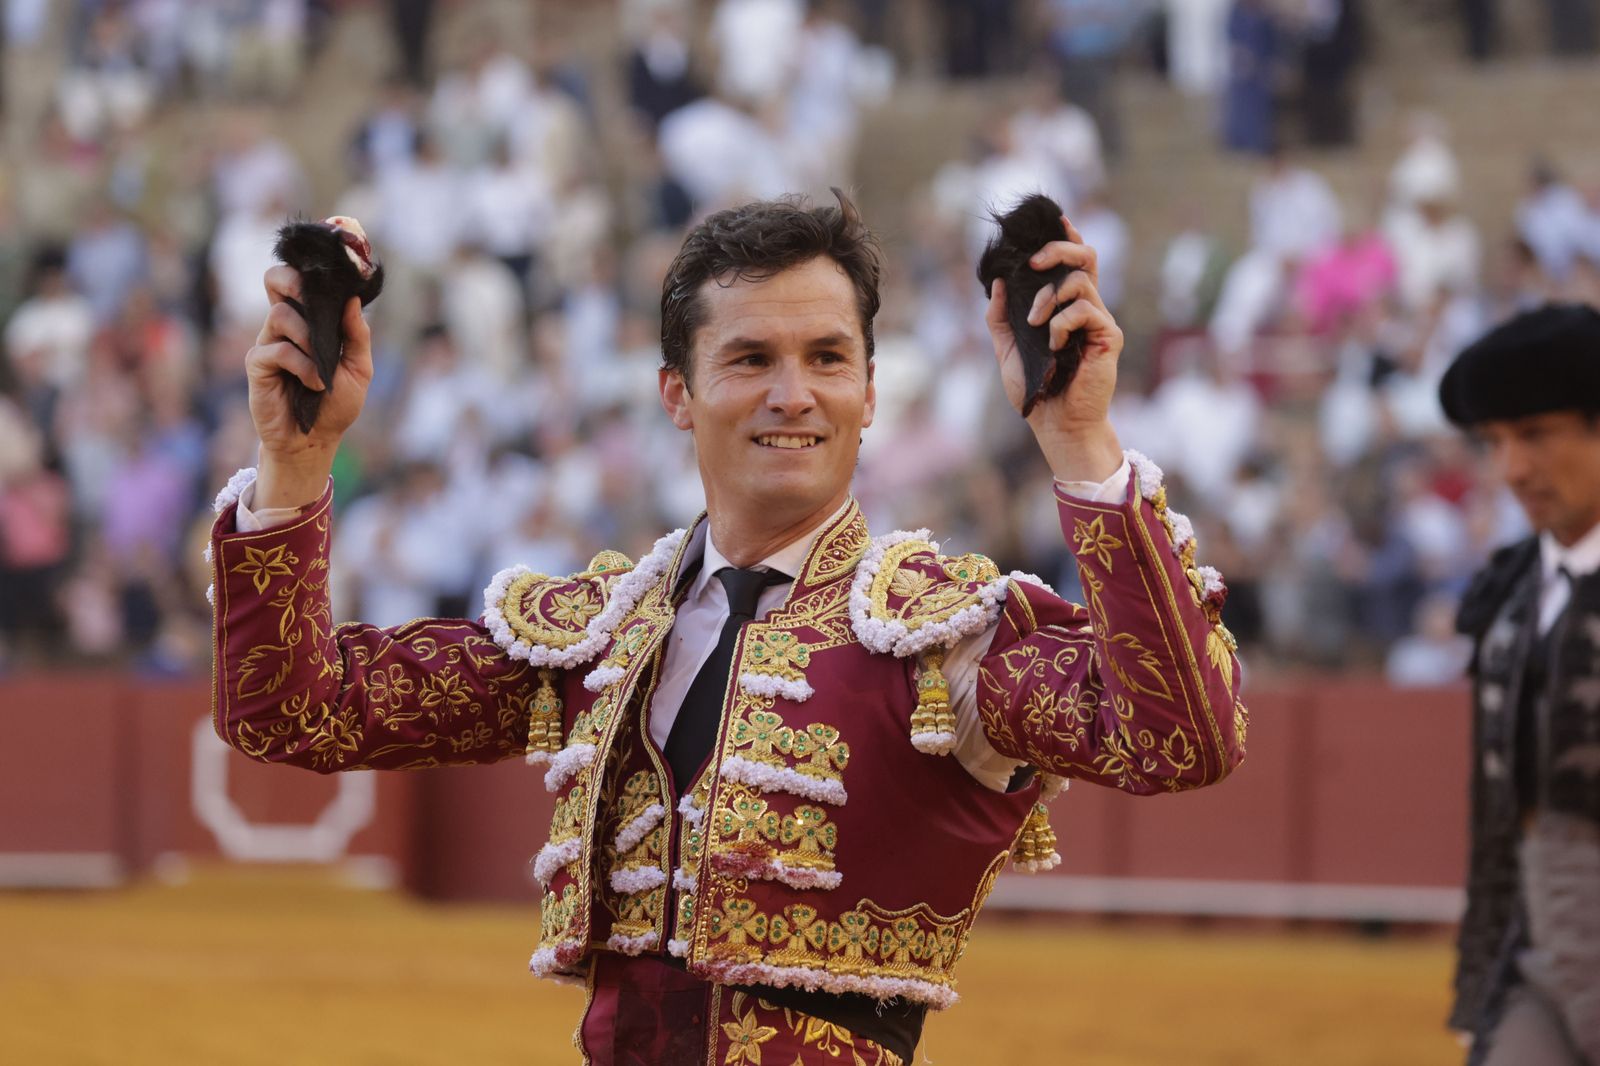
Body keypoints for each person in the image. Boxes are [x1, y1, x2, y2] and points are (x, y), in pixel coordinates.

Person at [206, 191, 1246, 1064]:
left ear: (871, 392)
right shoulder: (602, 633)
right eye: (749, 358)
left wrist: (1080, 442)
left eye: (828, 358)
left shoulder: (942, 637)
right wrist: (297, 462)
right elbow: (295, 714)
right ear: (677, 393)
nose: (793, 395)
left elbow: (1182, 737)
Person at [1440, 304, 1600, 1066]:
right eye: (1496, 442)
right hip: (1536, 957)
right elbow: (1501, 825)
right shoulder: (1512, 595)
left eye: (1536, 433)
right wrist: (1486, 991)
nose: (1513, 470)